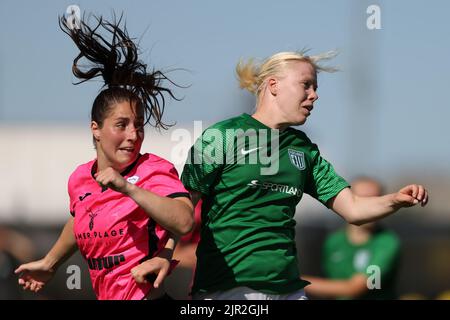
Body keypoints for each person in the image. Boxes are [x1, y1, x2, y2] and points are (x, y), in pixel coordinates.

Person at [180, 50, 429, 300]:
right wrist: (163, 256)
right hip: (229, 288)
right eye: (306, 85)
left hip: (289, 289)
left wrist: (395, 199)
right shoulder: (221, 136)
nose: (314, 95)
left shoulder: (303, 148)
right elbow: (180, 211)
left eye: (315, 87)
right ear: (273, 85)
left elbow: (353, 208)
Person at [14, 13, 194, 300]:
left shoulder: (153, 170)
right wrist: (50, 263)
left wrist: (128, 188)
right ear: (95, 129)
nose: (133, 135)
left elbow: (184, 222)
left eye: (138, 126)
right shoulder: (80, 178)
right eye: (122, 125)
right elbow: (83, 218)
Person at [303, 177, 401, 300]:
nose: (369, 206)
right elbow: (330, 287)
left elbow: (355, 289)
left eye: (375, 199)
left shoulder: (386, 243)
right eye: (363, 199)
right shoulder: (333, 242)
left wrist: (295, 283)